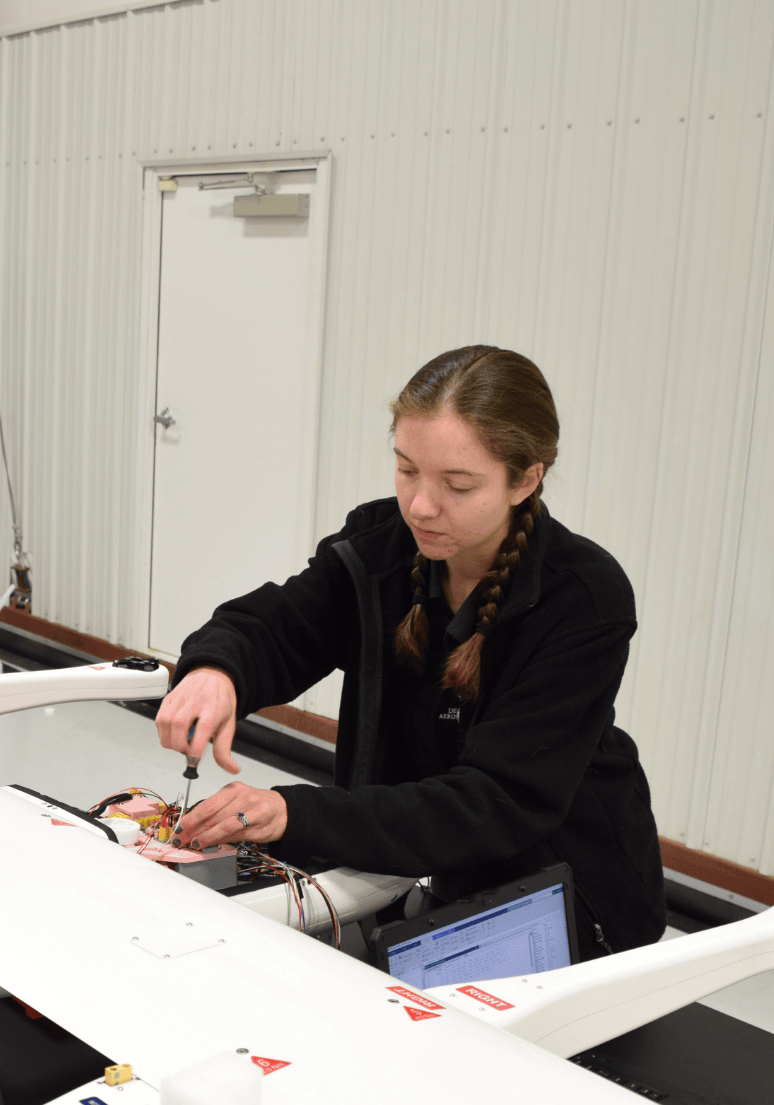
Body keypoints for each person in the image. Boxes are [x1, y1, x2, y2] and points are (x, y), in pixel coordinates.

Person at [157, 345, 666, 958]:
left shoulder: (584, 598)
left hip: (560, 903)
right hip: (412, 873)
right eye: (406, 470)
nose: (421, 506)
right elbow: (277, 627)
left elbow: (495, 802)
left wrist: (293, 813)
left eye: (458, 484)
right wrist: (217, 670)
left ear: (525, 480)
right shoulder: (378, 548)